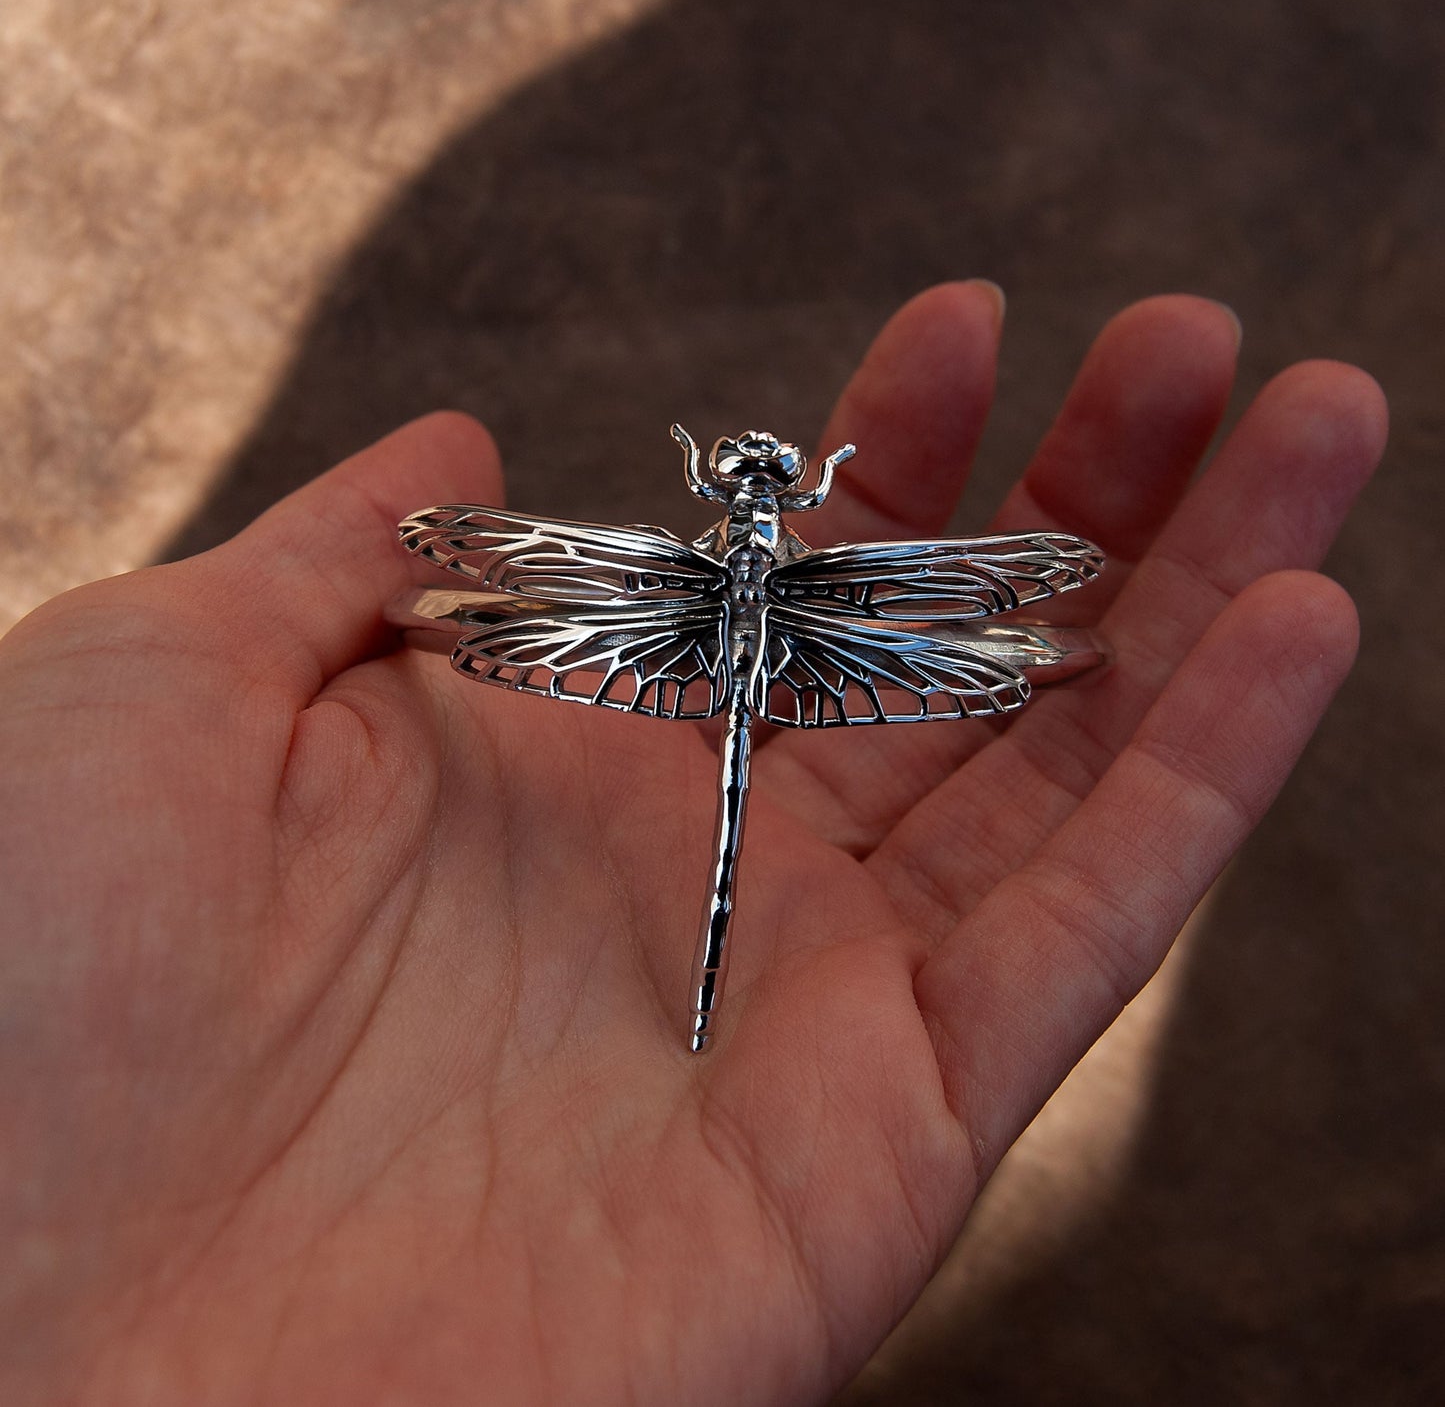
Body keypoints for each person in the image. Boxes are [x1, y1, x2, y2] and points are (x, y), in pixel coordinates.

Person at [0, 286, 1385, 1403]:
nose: (763, 482)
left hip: (702, 643)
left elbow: (455, 575)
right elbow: (1027, 614)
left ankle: (703, 993)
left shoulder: (698, 564)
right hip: (775, 647)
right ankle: (706, 995)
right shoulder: (795, 572)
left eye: (761, 478)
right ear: (759, 498)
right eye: (761, 479)